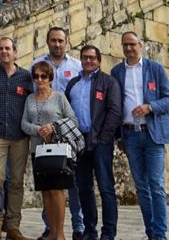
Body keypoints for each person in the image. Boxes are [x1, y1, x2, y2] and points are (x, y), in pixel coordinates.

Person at [111, 31, 169, 240]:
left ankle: (160, 233)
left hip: (152, 135)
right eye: (125, 45)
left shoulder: (155, 69)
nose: (128, 48)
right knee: (142, 187)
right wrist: (118, 137)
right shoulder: (116, 71)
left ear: (140, 45)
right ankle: (150, 232)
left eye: (132, 45)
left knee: (156, 185)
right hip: (130, 135)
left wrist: (150, 107)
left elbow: (168, 99)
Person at [31, 27, 84, 240]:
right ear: (47, 41)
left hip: (67, 133)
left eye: (61, 40)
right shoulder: (36, 65)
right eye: (53, 40)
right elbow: (32, 97)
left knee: (71, 182)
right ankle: (50, 228)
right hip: (44, 137)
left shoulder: (77, 66)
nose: (57, 44)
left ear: (67, 41)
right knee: (48, 183)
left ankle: (78, 226)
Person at [65, 45, 122, 240]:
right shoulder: (73, 83)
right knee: (83, 187)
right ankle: (90, 231)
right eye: (85, 57)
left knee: (106, 187)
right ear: (80, 60)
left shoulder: (108, 82)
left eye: (92, 58)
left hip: (100, 142)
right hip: (79, 142)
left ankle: (108, 233)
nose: (88, 61)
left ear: (98, 60)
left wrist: (103, 138)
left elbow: (115, 111)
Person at [0, 37, 33, 240]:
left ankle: (13, 226)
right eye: (1, 49)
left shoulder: (26, 77)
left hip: (19, 136)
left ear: (15, 52)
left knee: (17, 183)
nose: (4, 52)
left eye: (7, 49)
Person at [21, 61, 79, 240]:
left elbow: (73, 120)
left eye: (43, 76)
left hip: (57, 150)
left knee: (57, 191)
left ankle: (60, 234)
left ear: (50, 78)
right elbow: (23, 123)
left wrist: (53, 127)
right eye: (36, 76)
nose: (39, 79)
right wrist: (37, 130)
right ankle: (52, 231)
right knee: (46, 191)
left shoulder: (59, 97)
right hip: (37, 151)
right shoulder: (30, 98)